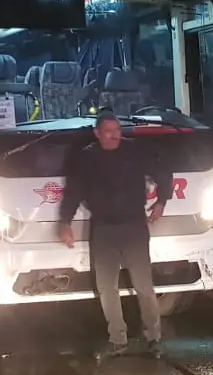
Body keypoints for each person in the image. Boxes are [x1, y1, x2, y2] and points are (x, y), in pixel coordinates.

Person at [58, 110, 171, 360]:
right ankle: (118, 340)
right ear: (97, 134)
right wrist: (65, 222)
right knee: (106, 287)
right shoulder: (87, 158)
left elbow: (164, 173)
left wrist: (162, 201)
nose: (114, 136)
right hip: (104, 230)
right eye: (108, 132)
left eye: (117, 130)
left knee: (144, 285)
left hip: (134, 227)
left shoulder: (135, 151)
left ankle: (154, 338)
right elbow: (73, 192)